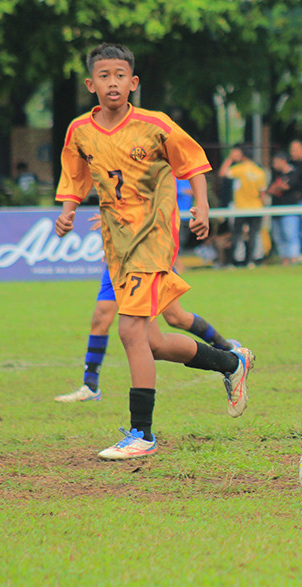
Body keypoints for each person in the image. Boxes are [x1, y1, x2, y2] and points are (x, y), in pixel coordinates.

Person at [54, 43, 255, 460]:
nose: (113, 83)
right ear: (91, 84)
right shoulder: (80, 131)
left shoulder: (154, 125)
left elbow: (194, 162)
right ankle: (231, 363)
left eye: (120, 75)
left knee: (128, 331)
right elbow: (75, 177)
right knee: (155, 342)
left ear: (134, 82)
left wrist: (202, 206)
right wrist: (68, 212)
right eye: (104, 76)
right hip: (117, 243)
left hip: (154, 236)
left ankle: (141, 433)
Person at [54, 266, 235, 402]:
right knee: (101, 318)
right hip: (117, 262)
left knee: (175, 319)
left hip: (147, 261)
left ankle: (228, 350)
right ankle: (90, 386)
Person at [219, 144, 267, 267]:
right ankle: (251, 261)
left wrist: (230, 158)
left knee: (236, 234)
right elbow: (262, 193)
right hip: (256, 208)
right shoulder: (259, 171)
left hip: (241, 208)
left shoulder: (240, 169)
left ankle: (231, 262)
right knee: (253, 234)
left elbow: (222, 173)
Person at [265, 151, 302, 266]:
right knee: (279, 236)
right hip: (276, 209)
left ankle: (293, 258)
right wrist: (278, 187)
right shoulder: (275, 174)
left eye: (276, 162)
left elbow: (286, 187)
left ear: (283, 161)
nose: (274, 164)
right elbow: (270, 190)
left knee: (290, 234)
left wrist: (277, 187)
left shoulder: (294, 173)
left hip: (289, 209)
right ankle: (284, 259)